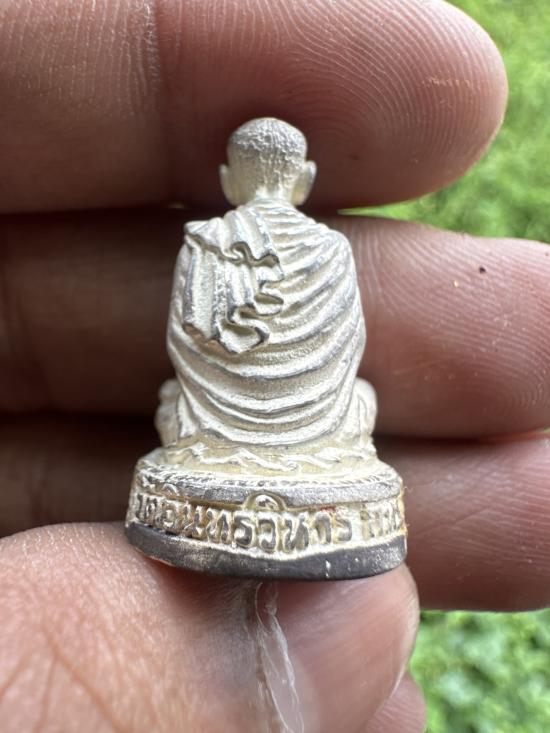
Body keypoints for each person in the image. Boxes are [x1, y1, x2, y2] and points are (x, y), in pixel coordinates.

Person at [0, 1, 548, 731]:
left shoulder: (205, 243)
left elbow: (186, 343)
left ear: (230, 178)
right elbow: (346, 351)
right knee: (359, 402)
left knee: (173, 404)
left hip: (211, 432)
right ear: (306, 179)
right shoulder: (329, 250)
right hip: (320, 434)